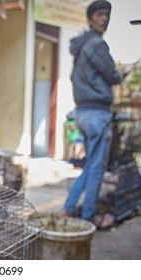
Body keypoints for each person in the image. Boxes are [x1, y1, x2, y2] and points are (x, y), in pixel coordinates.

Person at [61, 0, 130, 229]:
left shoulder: (80, 46)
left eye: (106, 15)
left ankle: (69, 208)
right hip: (96, 113)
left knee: (91, 166)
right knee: (97, 169)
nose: (104, 19)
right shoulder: (96, 44)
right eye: (100, 14)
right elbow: (112, 76)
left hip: (82, 112)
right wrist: (123, 72)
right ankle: (88, 217)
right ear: (90, 18)